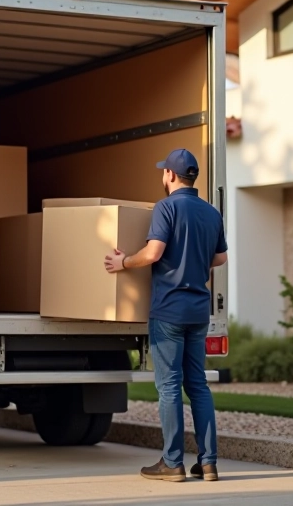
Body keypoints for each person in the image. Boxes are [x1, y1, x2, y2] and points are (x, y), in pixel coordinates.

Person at [104, 148, 227, 483]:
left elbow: (154, 252)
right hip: (198, 311)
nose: (162, 176)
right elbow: (220, 259)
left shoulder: (167, 207)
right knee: (198, 385)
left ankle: (172, 463)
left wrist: (124, 262)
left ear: (171, 175)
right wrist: (195, 260)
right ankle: (209, 462)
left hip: (169, 311)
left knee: (170, 386)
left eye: (163, 172)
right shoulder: (211, 213)